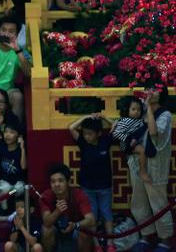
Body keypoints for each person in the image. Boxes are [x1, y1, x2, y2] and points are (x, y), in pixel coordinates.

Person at [126, 86, 173, 251]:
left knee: (159, 204)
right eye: (149, 89)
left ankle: (165, 241)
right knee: (138, 203)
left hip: (155, 167)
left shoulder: (165, 115)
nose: (151, 92)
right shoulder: (140, 109)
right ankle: (146, 237)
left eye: (156, 90)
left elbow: (154, 133)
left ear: (162, 95)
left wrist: (149, 110)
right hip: (137, 163)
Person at [68, 115, 116, 252]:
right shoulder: (83, 142)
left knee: (107, 215)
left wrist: (104, 118)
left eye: (90, 134)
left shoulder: (105, 141)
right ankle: (97, 246)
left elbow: (116, 125)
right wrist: (86, 117)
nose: (87, 136)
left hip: (105, 187)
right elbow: (71, 128)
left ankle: (111, 244)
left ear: (99, 133)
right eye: (85, 134)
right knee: (92, 218)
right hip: (87, 187)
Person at [40, 164, 96, 252]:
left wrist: (75, 225)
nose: (56, 184)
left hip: (75, 230)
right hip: (56, 232)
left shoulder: (78, 194)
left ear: (68, 181)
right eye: (53, 181)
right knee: (46, 230)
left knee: (86, 230)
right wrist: (57, 211)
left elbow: (91, 220)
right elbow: (46, 222)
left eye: (60, 181)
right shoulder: (46, 195)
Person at [0, 117, 26, 210]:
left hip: (17, 183)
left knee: (19, 189)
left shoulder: (20, 150)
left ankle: (17, 209)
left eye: (12, 132)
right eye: (6, 132)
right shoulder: (1, 147)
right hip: (4, 181)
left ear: (18, 136)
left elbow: (23, 167)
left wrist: (22, 148)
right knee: (4, 189)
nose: (8, 135)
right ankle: (4, 210)